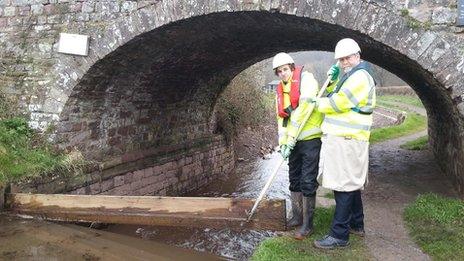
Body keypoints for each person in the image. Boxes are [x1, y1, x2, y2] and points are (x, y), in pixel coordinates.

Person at [309, 38, 376, 249]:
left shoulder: (360, 78)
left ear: (357, 55)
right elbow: (333, 93)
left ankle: (339, 235)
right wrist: (332, 80)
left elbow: (338, 103)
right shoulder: (350, 76)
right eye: (340, 59)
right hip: (346, 139)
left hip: (348, 140)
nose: (344, 62)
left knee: (343, 186)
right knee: (351, 184)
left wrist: (316, 103)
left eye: (347, 58)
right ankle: (357, 225)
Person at [272, 52, 324, 240]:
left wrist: (293, 136)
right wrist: (283, 143)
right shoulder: (280, 90)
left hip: (309, 138)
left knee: (307, 180)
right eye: (279, 71)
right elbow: (281, 119)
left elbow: (303, 110)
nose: (283, 74)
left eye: (285, 69)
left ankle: (308, 225)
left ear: (292, 68)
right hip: (292, 142)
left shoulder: (307, 80)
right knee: (294, 178)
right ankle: (296, 216)